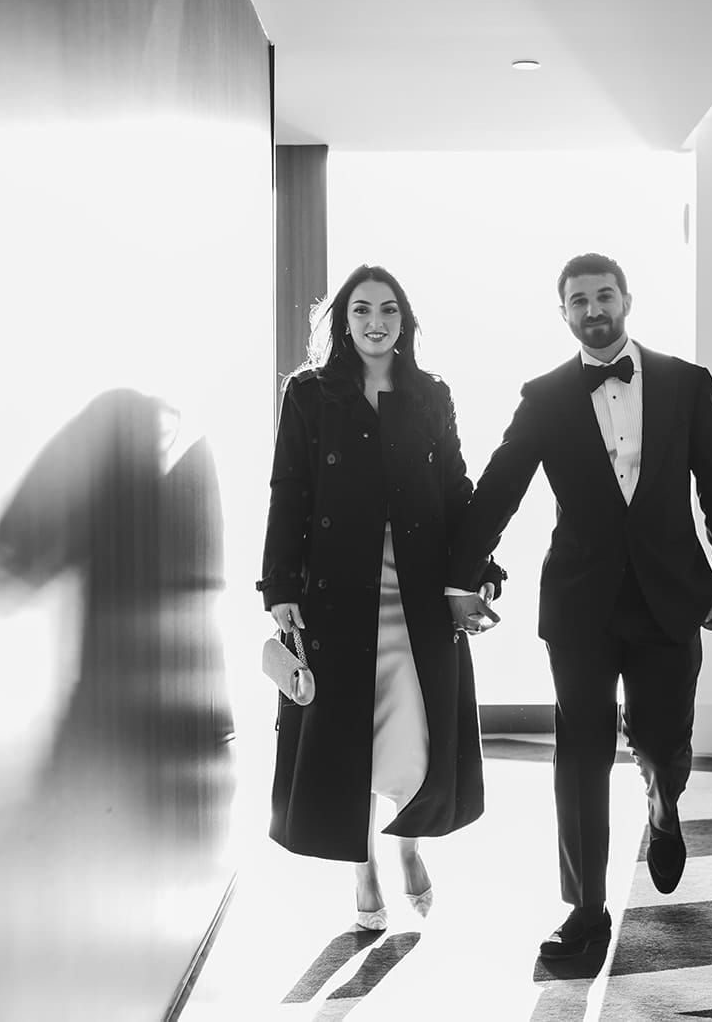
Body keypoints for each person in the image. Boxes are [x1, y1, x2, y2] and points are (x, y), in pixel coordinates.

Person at [447, 252, 712, 958]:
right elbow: (500, 487)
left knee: (662, 736)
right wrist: (461, 573)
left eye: (603, 294)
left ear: (626, 299)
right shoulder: (545, 396)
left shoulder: (684, 382)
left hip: (670, 594)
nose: (592, 309)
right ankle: (586, 908)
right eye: (577, 300)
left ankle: (662, 800)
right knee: (579, 751)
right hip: (581, 603)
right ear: (564, 313)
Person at [258, 264, 502, 930]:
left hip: (419, 590)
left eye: (388, 309)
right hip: (339, 590)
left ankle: (409, 847)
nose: (375, 320)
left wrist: (478, 566)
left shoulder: (429, 394)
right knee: (350, 737)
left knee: (414, 731)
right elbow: (290, 490)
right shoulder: (309, 394)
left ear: (405, 320)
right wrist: (280, 585)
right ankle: (362, 864)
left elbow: (455, 486)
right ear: (342, 320)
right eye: (362, 308)